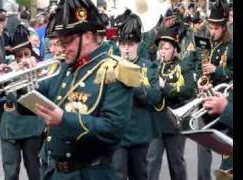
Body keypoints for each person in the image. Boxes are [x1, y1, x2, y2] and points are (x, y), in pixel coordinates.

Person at [24, 0, 141, 179]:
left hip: (91, 173)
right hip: (56, 173)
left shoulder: (114, 70)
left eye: (67, 41)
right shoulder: (63, 66)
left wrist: (63, 119)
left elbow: (113, 129)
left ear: (87, 36)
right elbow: (27, 105)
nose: (62, 47)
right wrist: (22, 81)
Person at [112, 10, 161, 180]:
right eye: (123, 43)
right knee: (117, 175)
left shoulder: (149, 67)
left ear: (138, 44)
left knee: (140, 175)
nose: (126, 48)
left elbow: (155, 97)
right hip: (117, 132)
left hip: (139, 134)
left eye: (131, 44)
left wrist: (134, 85)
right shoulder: (110, 65)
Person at [147, 28, 196, 180]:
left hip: (175, 122)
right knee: (151, 161)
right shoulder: (154, 67)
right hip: (156, 121)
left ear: (175, 49)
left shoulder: (184, 66)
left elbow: (189, 90)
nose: (163, 52)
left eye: (167, 48)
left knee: (176, 162)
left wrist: (164, 87)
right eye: (161, 48)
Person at [0, 24, 43, 180]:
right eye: (18, 55)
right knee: (10, 172)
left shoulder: (40, 67)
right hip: (10, 126)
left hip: (32, 125)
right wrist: (1, 78)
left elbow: (42, 94)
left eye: (26, 54)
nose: (22, 59)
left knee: (34, 169)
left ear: (32, 52)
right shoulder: (9, 67)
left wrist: (33, 72)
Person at [196, 2, 233, 179]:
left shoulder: (231, 44)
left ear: (224, 27)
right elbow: (198, 65)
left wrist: (217, 71)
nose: (212, 32)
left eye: (216, 28)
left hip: (226, 102)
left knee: (227, 148)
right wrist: (200, 80)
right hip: (208, 100)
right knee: (202, 148)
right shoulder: (207, 41)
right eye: (210, 27)